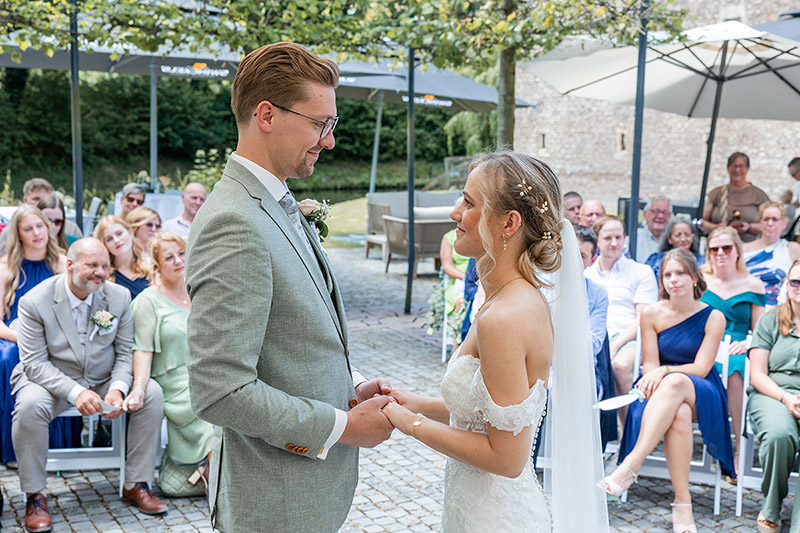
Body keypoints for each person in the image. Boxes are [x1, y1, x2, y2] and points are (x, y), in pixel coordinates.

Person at [184, 42, 394, 533]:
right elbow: (220, 391)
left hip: (304, 499)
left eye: (331, 124)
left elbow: (290, 333)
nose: (330, 140)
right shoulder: (233, 223)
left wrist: (349, 385)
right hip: (273, 506)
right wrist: (343, 427)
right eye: (320, 123)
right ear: (266, 115)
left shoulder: (272, 199)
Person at [382, 151, 609, 532]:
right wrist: (415, 402)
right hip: (475, 507)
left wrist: (412, 424)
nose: (455, 213)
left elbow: (507, 457)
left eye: (469, 203)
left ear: (509, 223)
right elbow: (490, 413)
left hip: (495, 519)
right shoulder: (505, 299)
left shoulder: (505, 317)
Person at [11, 238, 167, 532]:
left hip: (101, 378)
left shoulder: (119, 296)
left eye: (105, 267)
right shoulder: (34, 301)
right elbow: (34, 364)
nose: (100, 272)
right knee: (29, 405)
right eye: (92, 265)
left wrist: (118, 388)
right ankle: (35, 496)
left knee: (152, 393)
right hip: (50, 380)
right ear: (70, 265)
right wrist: (76, 392)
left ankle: (136, 483)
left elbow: (124, 352)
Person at [608, 249, 731, 533]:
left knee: (677, 385)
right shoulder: (650, 313)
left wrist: (664, 371)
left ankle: (630, 466)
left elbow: (700, 368)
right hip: (660, 392)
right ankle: (682, 504)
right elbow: (649, 364)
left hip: (702, 388)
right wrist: (658, 372)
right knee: (679, 414)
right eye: (667, 275)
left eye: (680, 274)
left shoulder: (714, 317)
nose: (674, 280)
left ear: (694, 278)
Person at [127, 232, 213, 495]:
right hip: (176, 385)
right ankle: (221, 485)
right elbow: (142, 350)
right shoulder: (147, 301)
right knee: (216, 411)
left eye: (181, 253)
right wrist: (139, 388)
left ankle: (213, 475)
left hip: (209, 374)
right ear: (157, 265)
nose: (178, 260)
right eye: (169, 257)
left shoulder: (201, 290)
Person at [0, 206, 80, 466]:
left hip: (56, 334)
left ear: (48, 228)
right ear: (18, 234)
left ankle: (61, 447)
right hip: (15, 335)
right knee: (9, 357)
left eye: (40, 226)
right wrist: (17, 337)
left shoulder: (62, 263)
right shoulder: (6, 269)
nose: (36, 233)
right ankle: (16, 451)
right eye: (28, 228)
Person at [700, 226, 766, 466]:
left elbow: (760, 329)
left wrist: (747, 342)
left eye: (726, 248)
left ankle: (737, 446)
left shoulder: (754, 284)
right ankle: (714, 440)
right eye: (714, 249)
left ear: (737, 251)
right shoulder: (700, 279)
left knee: (736, 369)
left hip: (738, 345)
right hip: (705, 343)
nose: (720, 253)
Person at [585, 215, 658, 427]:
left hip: (628, 336)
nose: (614, 243)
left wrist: (615, 344)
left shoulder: (640, 272)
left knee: (620, 366)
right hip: (594, 334)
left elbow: (643, 317)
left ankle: (628, 430)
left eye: (619, 237)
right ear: (597, 240)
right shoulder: (587, 273)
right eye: (608, 237)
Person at [746, 260, 800, 533]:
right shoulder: (770, 319)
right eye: (795, 282)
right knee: (780, 434)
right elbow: (757, 374)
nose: (799, 288)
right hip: (772, 394)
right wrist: (786, 398)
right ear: (787, 285)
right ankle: (772, 506)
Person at [575, 224, 616, 449]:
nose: (572, 260)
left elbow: (593, 344)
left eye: (581, 256)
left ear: (591, 260)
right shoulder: (541, 287)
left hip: (582, 370)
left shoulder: (598, 294)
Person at [0, 179, 82, 256]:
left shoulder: (71, 229)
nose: (41, 202)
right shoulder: (10, 231)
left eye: (46, 198)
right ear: (25, 200)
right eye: (36, 199)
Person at [701, 152, 770, 243]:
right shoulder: (716, 194)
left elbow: (768, 225)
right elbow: (703, 222)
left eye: (741, 166)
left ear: (747, 168)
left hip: (750, 246)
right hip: (720, 246)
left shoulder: (759, 196)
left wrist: (749, 228)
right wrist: (716, 228)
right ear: (728, 168)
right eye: (734, 166)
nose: (737, 170)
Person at [743, 202, 800, 308]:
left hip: (779, 310)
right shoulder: (744, 249)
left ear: (784, 223)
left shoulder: (793, 249)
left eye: (775, 219)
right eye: (766, 219)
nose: (770, 223)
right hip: (748, 307)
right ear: (760, 222)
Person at [94, 216, 150, 299]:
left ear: (130, 232)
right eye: (109, 239)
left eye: (119, 234)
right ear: (105, 246)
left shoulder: (150, 265)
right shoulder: (105, 275)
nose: (116, 240)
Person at [645, 216, 705, 281]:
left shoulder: (702, 261)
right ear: (669, 239)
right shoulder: (655, 260)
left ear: (692, 237)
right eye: (678, 235)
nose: (683, 239)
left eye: (687, 235)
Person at [627, 196, 672, 262]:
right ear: (645, 214)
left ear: (670, 217)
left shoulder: (675, 241)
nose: (660, 216)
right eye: (656, 211)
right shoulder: (632, 241)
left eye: (665, 212)